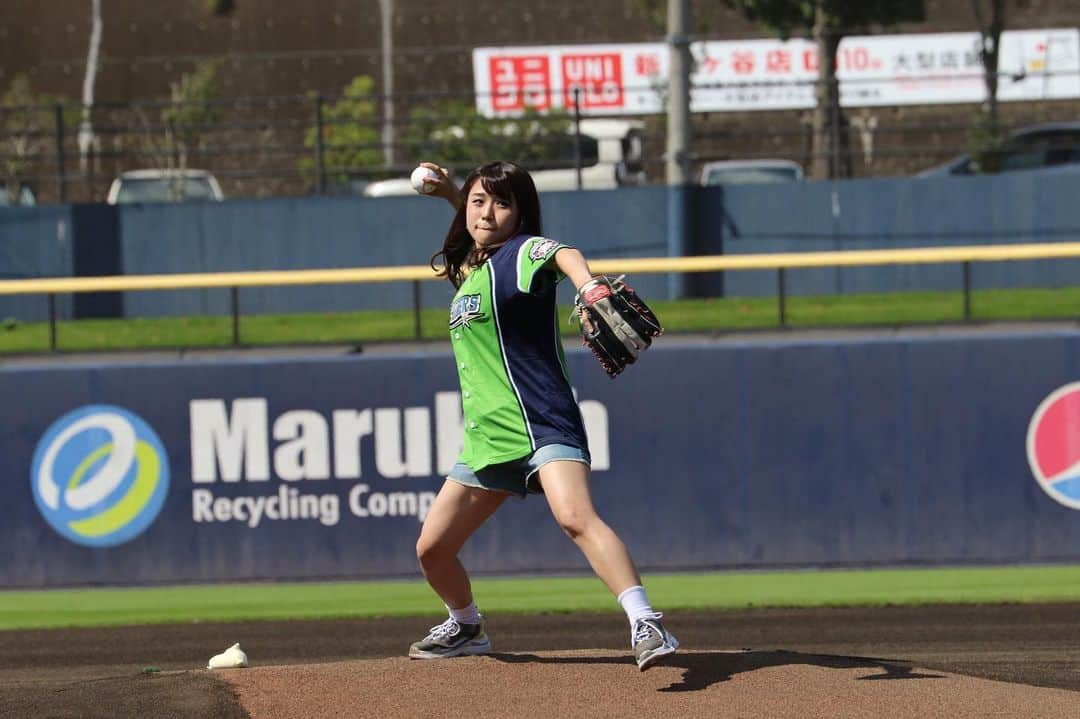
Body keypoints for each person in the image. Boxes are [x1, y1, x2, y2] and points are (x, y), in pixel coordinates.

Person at [407, 160, 678, 671]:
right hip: (488, 436)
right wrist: (451, 193)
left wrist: (588, 285)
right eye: (479, 201)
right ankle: (465, 624)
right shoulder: (474, 270)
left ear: (521, 212)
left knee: (575, 517)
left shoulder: (523, 253)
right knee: (431, 550)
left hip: (542, 418)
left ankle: (646, 622)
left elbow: (560, 252)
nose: (488, 212)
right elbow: (470, 240)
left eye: (502, 202)